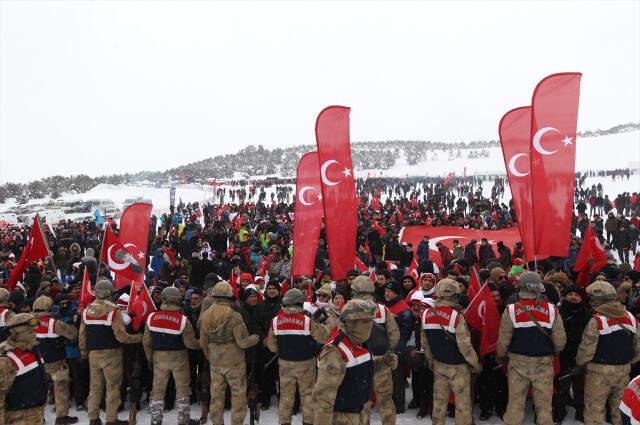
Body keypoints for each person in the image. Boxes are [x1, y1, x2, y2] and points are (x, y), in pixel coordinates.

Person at [497, 271, 566, 425]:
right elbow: (560, 341)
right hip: (543, 362)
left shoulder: (511, 310)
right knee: (544, 407)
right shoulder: (552, 310)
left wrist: (502, 356)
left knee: (515, 404)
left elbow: (503, 341)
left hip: (517, 362)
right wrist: (553, 353)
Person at [79, 278, 143, 425]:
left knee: (95, 388)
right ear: (110, 293)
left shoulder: (87, 310)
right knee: (113, 388)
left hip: (93, 355)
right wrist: (138, 338)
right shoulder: (114, 311)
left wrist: (83, 353)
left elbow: (82, 336)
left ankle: (93, 418)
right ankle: (111, 419)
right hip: (111, 354)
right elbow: (121, 336)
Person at [576, 280, 640, 425]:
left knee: (594, 412)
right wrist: (628, 362)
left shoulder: (597, 321)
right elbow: (639, 347)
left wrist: (580, 363)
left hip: (598, 373)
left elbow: (586, 351)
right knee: (620, 412)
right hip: (623, 370)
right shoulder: (630, 317)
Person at [199, 281, 259, 425]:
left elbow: (203, 342)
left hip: (215, 359)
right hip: (234, 360)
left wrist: (209, 355)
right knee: (238, 395)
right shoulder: (234, 315)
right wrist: (255, 338)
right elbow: (243, 341)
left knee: (216, 395)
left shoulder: (206, 315)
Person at [421, 279, 480, 425]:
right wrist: (475, 363)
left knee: (439, 404)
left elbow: (425, 343)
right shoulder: (456, 316)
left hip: (439, 364)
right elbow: (464, 345)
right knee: (462, 405)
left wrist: (431, 361)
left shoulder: (426, 314)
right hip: (458, 367)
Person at [312, 299, 379, 425]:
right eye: (364, 321)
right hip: (342, 418)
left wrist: (383, 363)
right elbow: (324, 396)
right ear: (350, 323)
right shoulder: (335, 351)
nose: (369, 325)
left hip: (362, 414)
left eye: (370, 321)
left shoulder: (361, 343)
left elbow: (362, 369)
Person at [266, 288, 327, 425]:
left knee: (286, 397)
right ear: (300, 303)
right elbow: (323, 337)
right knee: (308, 395)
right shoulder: (307, 321)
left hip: (285, 363)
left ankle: (284, 422)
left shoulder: (275, 321)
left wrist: (282, 350)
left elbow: (271, 345)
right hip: (306, 363)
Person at [143, 287, 200, 425]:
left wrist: (150, 358)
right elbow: (190, 343)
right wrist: (202, 343)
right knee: (182, 389)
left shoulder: (152, 317)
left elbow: (146, 342)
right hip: (179, 357)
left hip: (159, 357)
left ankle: (156, 419)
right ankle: (183, 419)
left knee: (157, 389)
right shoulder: (182, 320)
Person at [351, 276, 400, 425]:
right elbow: (394, 334)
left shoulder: (349, 309)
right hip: (381, 359)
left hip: (359, 361)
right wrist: (389, 352)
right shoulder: (383, 310)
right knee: (385, 400)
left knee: (362, 401)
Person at [32, 295, 79, 425]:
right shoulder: (53, 323)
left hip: (36, 362)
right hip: (56, 361)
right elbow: (72, 334)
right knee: (61, 389)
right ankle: (62, 417)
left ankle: (38, 418)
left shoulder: (28, 322)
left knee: (38, 390)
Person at [0, 313, 48, 425]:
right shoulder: (6, 359)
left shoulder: (32, 349)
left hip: (36, 413)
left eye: (35, 331)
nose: (35, 334)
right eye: (30, 332)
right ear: (16, 334)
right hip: (18, 418)